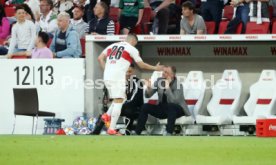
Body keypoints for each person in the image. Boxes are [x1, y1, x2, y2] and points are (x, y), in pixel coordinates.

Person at [97, 33, 163, 135]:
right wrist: (155, 68)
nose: (135, 46)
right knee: (119, 100)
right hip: (118, 77)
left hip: (107, 76)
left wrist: (107, 70)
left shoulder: (112, 46)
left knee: (120, 98)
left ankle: (107, 115)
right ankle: (112, 129)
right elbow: (141, 65)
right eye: (135, 44)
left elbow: (100, 58)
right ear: (133, 41)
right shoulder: (131, 48)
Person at [135, 66, 191, 136]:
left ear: (172, 75)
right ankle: (137, 132)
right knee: (145, 107)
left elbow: (174, 101)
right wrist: (148, 88)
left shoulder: (178, 85)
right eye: (163, 71)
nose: (163, 73)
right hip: (163, 108)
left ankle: (169, 132)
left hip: (178, 110)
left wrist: (167, 88)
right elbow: (148, 95)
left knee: (171, 106)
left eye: (166, 72)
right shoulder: (159, 81)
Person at [92, 64, 144, 135]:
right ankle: (95, 132)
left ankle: (126, 131)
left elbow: (135, 100)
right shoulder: (118, 81)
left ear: (133, 72)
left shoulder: (137, 82)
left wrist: (119, 104)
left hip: (135, 107)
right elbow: (114, 96)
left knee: (127, 110)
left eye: (129, 71)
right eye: (125, 71)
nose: (127, 74)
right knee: (106, 113)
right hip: (121, 105)